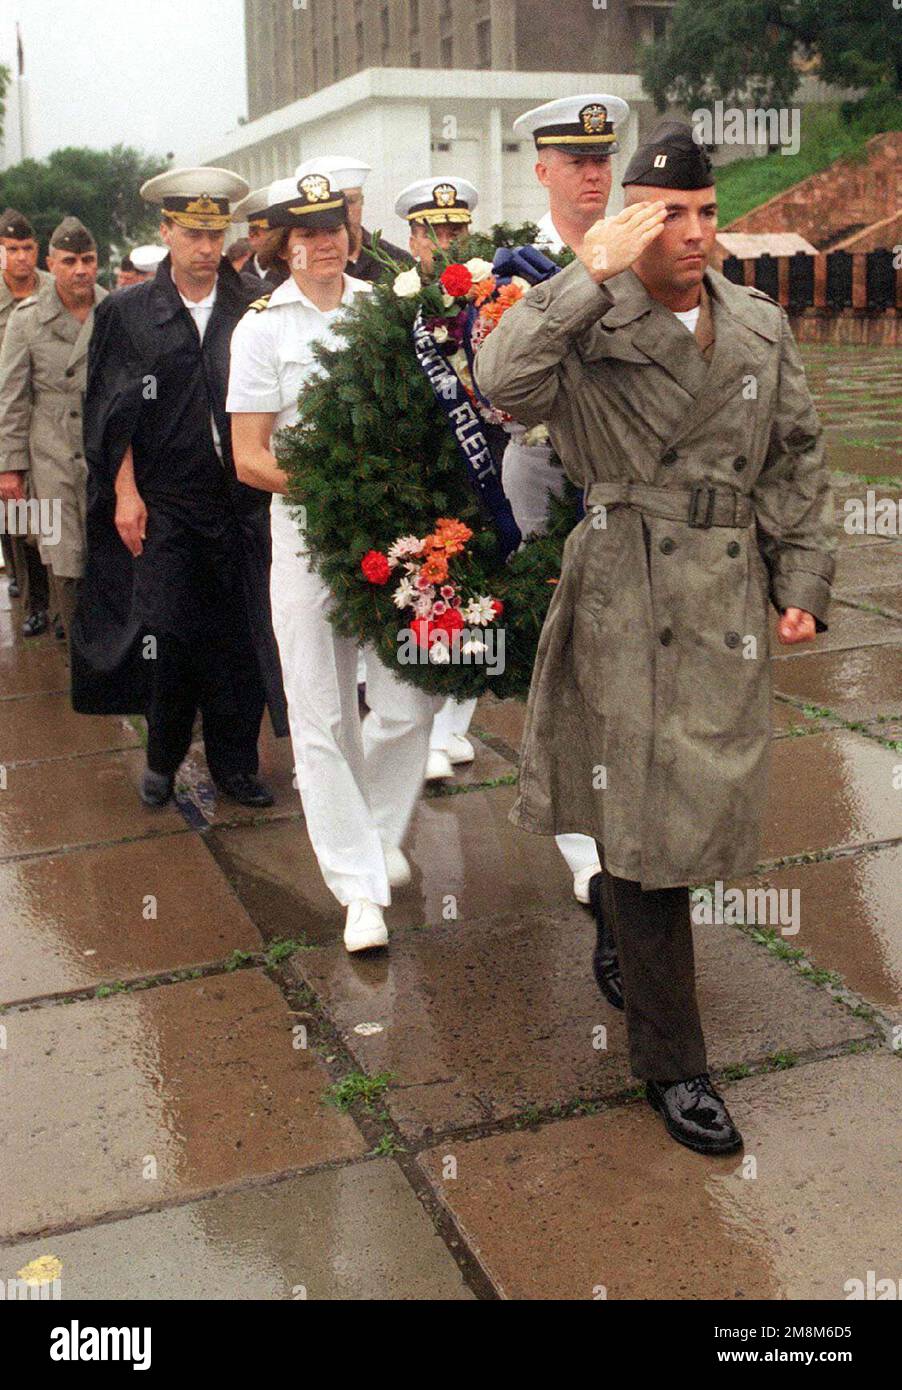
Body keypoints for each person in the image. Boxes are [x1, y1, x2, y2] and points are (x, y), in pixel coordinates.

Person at [474, 120, 835, 1155]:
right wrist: (582, 272)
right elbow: (500, 380)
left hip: (721, 598)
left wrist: (798, 576)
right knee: (641, 820)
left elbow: (795, 460)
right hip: (622, 584)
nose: (690, 233)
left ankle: (623, 939)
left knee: (692, 814)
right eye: (666, 214)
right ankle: (674, 1063)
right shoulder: (586, 317)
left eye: (706, 214)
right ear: (629, 218)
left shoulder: (757, 325)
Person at [228, 170, 439, 954]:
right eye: (305, 232)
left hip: (385, 538)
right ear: (284, 245)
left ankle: (380, 833)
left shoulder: (381, 313)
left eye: (334, 228)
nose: (323, 243)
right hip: (309, 539)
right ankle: (358, 890)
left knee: (409, 699)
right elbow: (249, 457)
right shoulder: (260, 329)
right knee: (319, 715)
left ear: (351, 235)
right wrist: (331, 487)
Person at [71, 167, 286, 809]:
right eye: (192, 232)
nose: (205, 246)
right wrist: (125, 494)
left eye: (215, 232)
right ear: (165, 231)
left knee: (241, 636)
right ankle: (163, 757)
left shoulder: (252, 304)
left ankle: (235, 766)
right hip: (167, 502)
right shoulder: (127, 314)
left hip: (243, 501)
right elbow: (108, 412)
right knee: (169, 633)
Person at [500, 96, 631, 906]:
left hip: (625, 483)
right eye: (576, 161)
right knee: (566, 655)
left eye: (602, 159)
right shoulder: (504, 269)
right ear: (542, 169)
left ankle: (628, 816)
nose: (593, 173)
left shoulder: (642, 250)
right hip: (546, 476)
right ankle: (582, 841)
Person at [394, 175, 483, 781]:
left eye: (456, 229)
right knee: (427, 591)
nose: (446, 240)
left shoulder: (493, 292)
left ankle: (456, 722)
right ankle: (422, 729)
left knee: (478, 591)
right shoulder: (395, 300)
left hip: (478, 465)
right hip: (421, 464)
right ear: (413, 236)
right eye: (434, 230)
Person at [0, 217, 107, 645]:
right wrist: (10, 468)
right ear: (53, 264)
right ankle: (73, 647)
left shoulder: (114, 309)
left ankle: (108, 647)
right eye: (69, 261)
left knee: (106, 552)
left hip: (102, 453)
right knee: (58, 552)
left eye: (88, 260)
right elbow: (13, 398)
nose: (80, 269)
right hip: (49, 455)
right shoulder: (27, 321)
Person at [0, 208, 52, 634]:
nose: (20, 257)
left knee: (52, 517)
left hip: (51, 419)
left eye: (27, 248)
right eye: (11, 249)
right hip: (8, 416)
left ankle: (57, 604)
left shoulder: (55, 289)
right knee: (18, 515)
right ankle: (35, 599)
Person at [299, 155, 412, 282]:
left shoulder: (396, 260)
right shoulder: (301, 263)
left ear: (362, 201)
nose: (345, 211)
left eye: (351, 201)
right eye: (337, 205)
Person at [395, 177, 479, 276]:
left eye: (454, 234)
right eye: (432, 235)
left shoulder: (497, 287)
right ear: (413, 245)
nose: (445, 246)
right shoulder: (400, 290)